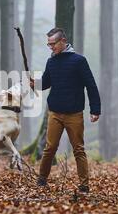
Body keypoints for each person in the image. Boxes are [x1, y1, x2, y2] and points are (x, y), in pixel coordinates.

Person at [30, 27, 101, 193]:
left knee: (78, 149)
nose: (51, 47)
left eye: (53, 43)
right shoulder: (51, 61)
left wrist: (95, 109)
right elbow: (47, 82)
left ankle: (84, 185)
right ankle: (41, 180)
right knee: (50, 148)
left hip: (74, 113)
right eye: (48, 44)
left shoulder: (79, 61)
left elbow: (91, 85)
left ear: (63, 41)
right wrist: (36, 84)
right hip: (54, 112)